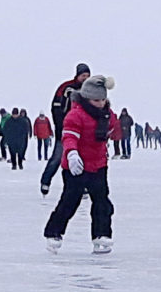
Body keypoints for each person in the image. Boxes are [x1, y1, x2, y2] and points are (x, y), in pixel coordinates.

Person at [44, 75, 118, 254]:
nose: (100, 103)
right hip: (75, 166)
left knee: (102, 201)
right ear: (86, 99)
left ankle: (102, 234)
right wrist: (72, 154)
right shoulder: (75, 115)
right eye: (96, 100)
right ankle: (53, 233)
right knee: (70, 200)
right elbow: (69, 136)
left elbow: (114, 128)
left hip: (98, 165)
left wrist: (111, 126)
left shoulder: (107, 114)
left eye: (103, 99)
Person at [40, 63, 91, 195]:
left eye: (87, 76)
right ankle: (46, 181)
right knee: (58, 156)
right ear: (77, 75)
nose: (85, 78)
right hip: (65, 129)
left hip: (83, 131)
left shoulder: (91, 90)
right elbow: (56, 107)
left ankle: (82, 185)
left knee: (82, 158)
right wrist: (60, 125)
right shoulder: (65, 88)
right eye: (83, 76)